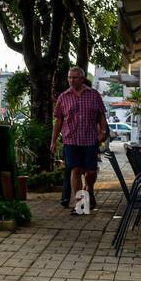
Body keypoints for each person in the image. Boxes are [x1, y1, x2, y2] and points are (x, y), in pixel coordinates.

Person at [50, 67, 108, 215]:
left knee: (91, 172)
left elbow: (101, 115)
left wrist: (102, 131)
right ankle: (80, 205)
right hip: (71, 139)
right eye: (69, 77)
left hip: (90, 139)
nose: (71, 80)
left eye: (75, 78)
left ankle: (89, 189)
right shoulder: (63, 97)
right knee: (75, 170)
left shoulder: (94, 95)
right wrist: (53, 141)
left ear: (82, 79)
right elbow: (58, 121)